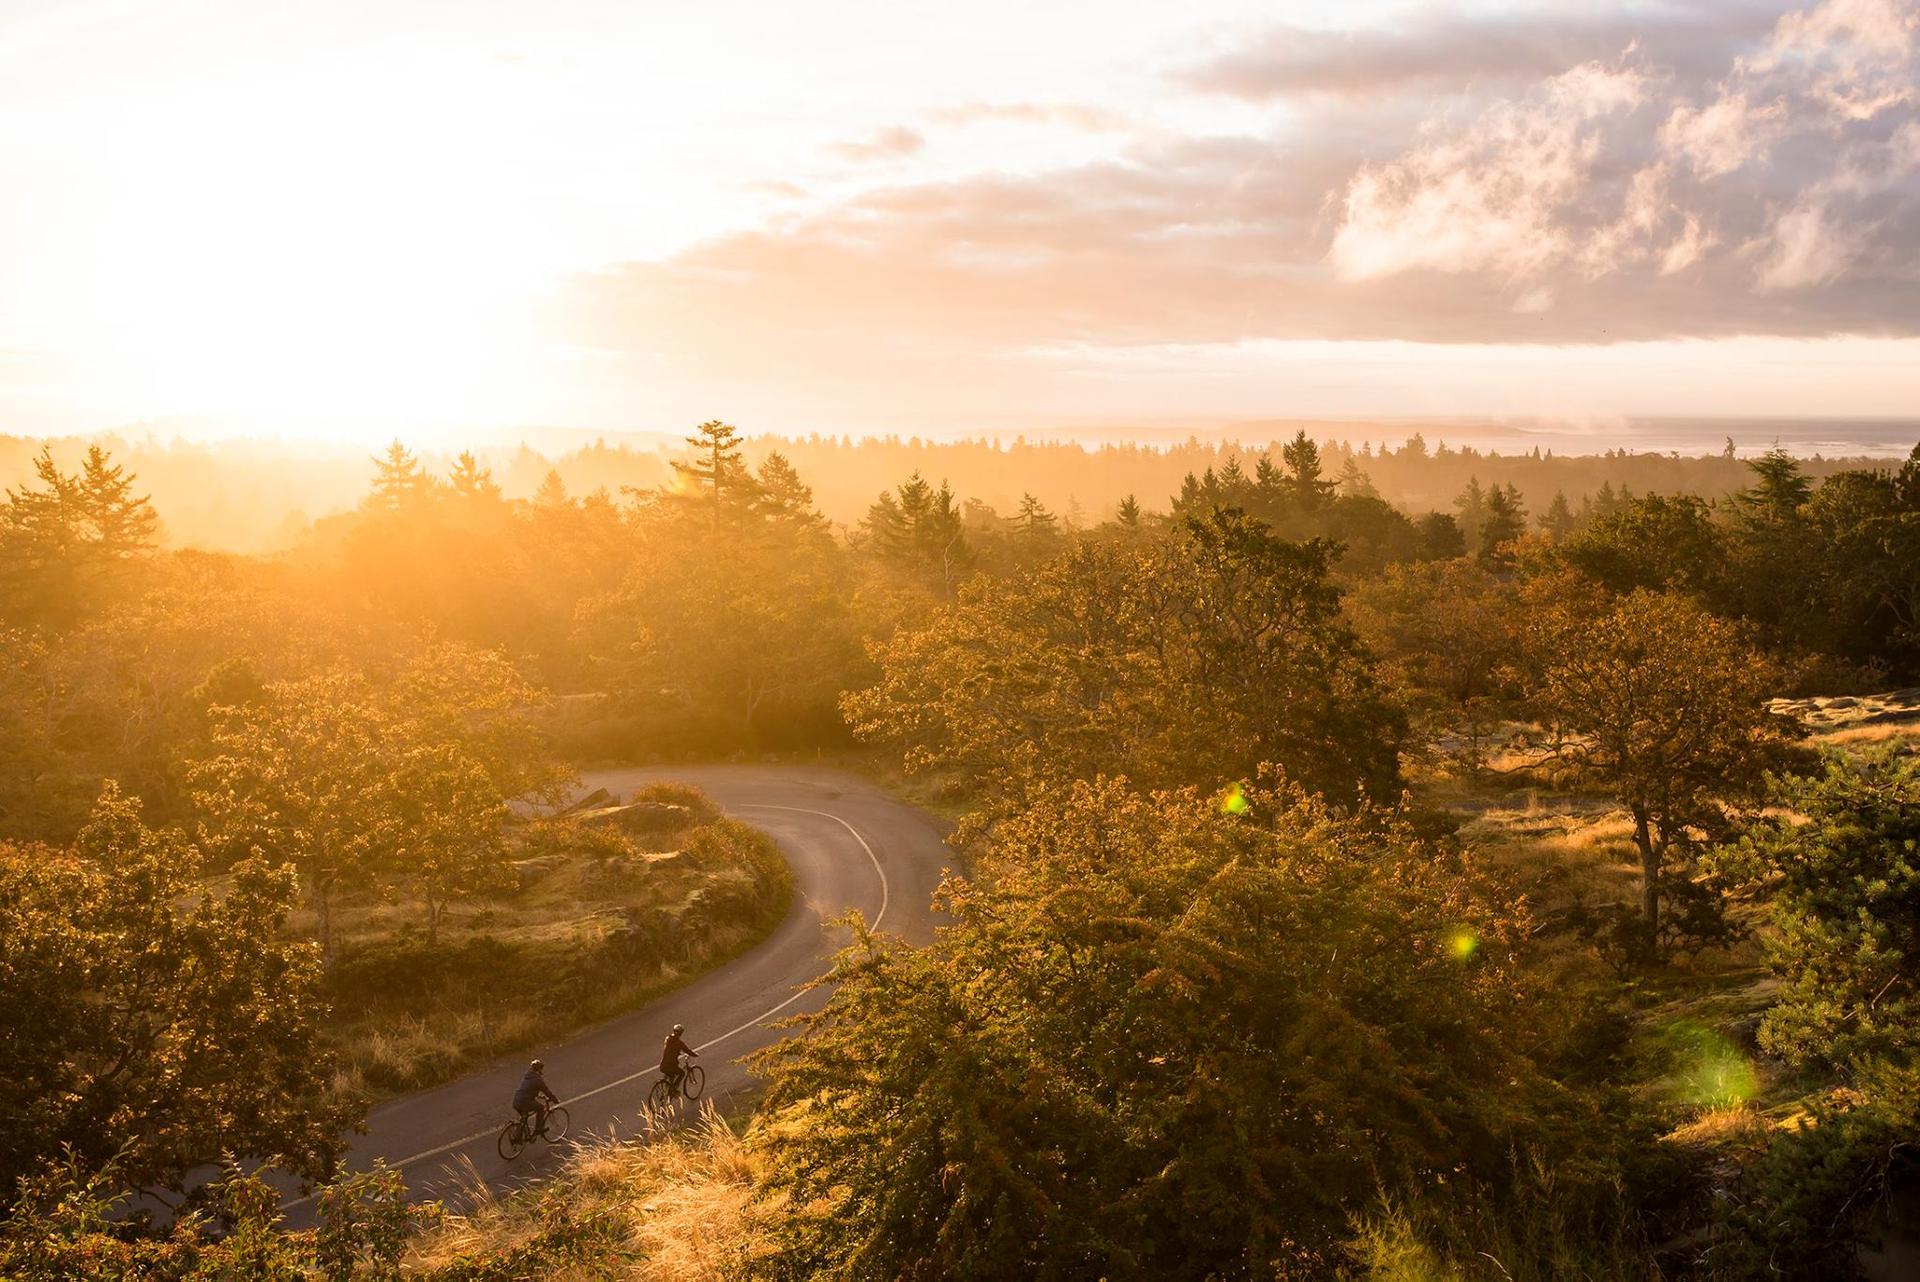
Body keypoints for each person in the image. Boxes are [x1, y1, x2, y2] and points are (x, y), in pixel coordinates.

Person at [513, 1058, 558, 1136]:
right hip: (525, 1102)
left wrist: (538, 1095)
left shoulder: (527, 1075)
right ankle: (538, 1129)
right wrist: (555, 1100)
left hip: (516, 1101)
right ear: (539, 1069)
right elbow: (547, 1092)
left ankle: (518, 1135)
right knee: (541, 1108)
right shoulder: (538, 1080)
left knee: (524, 1117)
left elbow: (528, 1089)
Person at [660, 1023, 697, 1096]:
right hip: (671, 1066)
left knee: (671, 1075)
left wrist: (678, 1053)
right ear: (681, 1033)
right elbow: (687, 1051)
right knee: (682, 1073)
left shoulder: (668, 1038)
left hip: (663, 1065)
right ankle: (673, 1090)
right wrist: (695, 1055)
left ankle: (669, 1089)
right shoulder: (679, 1043)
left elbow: (670, 1050)